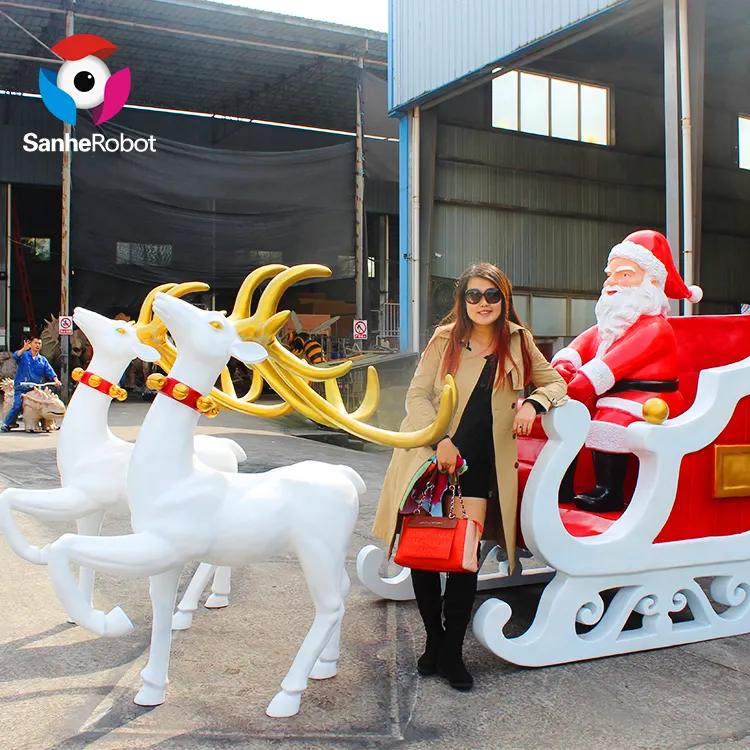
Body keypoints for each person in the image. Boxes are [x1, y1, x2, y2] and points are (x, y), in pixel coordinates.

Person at [373, 262, 567, 691]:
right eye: (474, 295)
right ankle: (434, 642)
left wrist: (534, 403)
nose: (483, 303)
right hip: (430, 457)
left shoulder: (518, 342)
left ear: (504, 299)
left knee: (463, 560)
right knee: (424, 552)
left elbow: (557, 383)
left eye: (492, 295)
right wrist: (441, 438)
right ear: (462, 301)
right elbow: (417, 395)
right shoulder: (445, 341)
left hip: (480, 465)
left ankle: (453, 651)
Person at [552, 229, 702, 512]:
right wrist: (565, 365)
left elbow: (617, 361)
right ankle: (561, 484)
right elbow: (582, 344)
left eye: (624, 275)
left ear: (651, 282)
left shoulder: (655, 329)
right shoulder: (612, 324)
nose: (612, 282)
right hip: (611, 395)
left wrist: (582, 383)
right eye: (610, 274)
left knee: (610, 420)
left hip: (651, 400)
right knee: (567, 414)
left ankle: (609, 491)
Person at [1, 336, 61, 432]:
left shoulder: (42, 360)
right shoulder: (24, 356)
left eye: (39, 343)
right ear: (31, 344)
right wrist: (24, 349)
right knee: (17, 404)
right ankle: (8, 423)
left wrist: (56, 380)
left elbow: (49, 371)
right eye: (36, 343)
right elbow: (15, 356)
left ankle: (49, 423)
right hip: (21, 387)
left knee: (44, 402)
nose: (38, 345)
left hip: (35, 388)